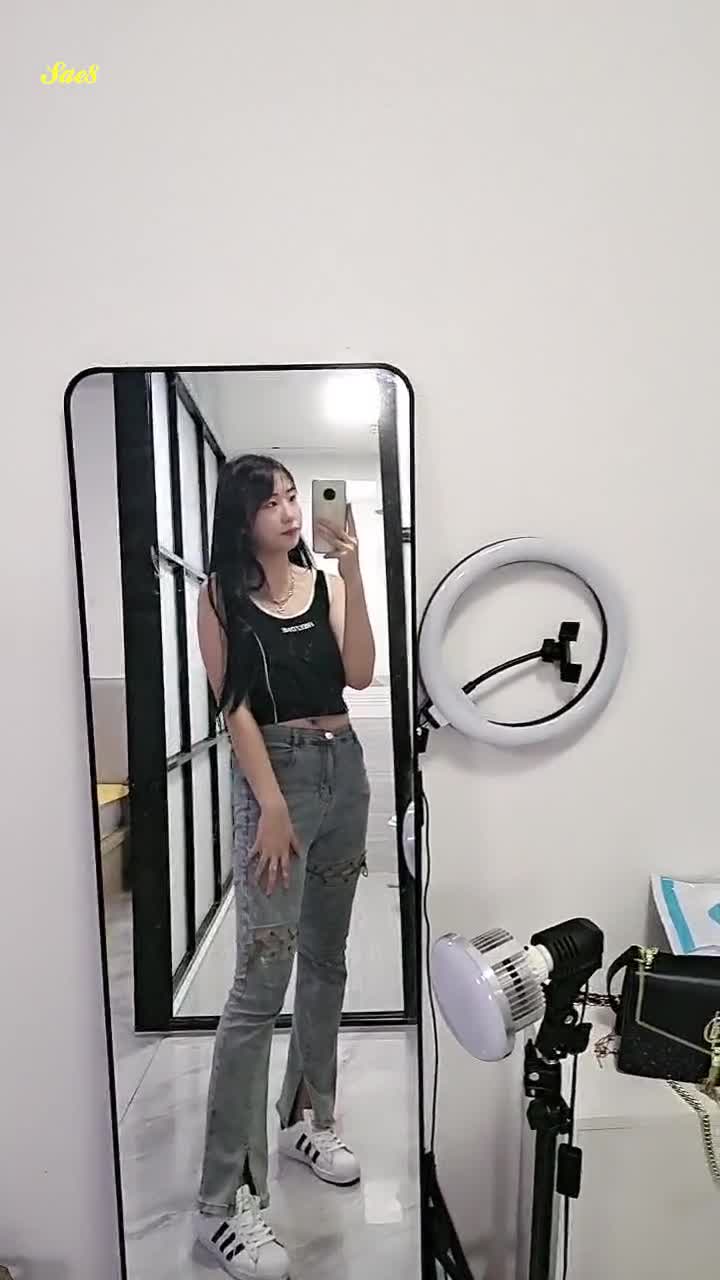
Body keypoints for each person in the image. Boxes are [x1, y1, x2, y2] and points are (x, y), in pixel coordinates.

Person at [193, 454, 376, 1279]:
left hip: (346, 772)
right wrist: (268, 802)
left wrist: (354, 572)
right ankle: (221, 1204)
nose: (291, 510)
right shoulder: (220, 596)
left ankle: (308, 1117)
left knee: (327, 960)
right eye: (272, 502)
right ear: (243, 518)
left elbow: (360, 674)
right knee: (258, 986)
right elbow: (233, 703)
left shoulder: (325, 583)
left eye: (294, 496)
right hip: (280, 782)